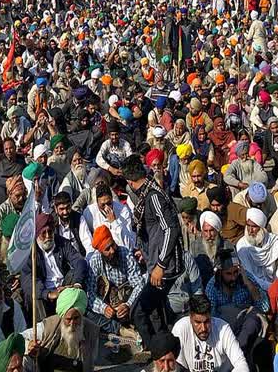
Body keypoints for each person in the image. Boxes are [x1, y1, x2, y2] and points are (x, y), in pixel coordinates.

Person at [122, 154, 183, 338]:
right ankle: (165, 349)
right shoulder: (148, 194)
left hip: (164, 267)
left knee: (140, 312)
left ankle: (159, 351)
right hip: (155, 263)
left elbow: (170, 229)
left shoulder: (153, 196)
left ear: (130, 182)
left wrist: (160, 265)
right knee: (157, 313)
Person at [21, 213, 87, 317]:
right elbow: (27, 280)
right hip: (45, 291)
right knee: (33, 293)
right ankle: (45, 327)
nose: (48, 236)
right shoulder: (30, 251)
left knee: (78, 273)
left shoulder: (62, 242)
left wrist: (76, 284)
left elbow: (79, 261)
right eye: (43, 233)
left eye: (50, 232)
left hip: (64, 286)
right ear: (37, 234)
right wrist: (47, 294)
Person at [85, 225, 145, 338]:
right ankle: (120, 329)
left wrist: (128, 304)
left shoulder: (125, 254)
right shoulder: (94, 261)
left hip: (127, 302)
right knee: (87, 313)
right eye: (107, 249)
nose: (112, 251)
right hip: (108, 305)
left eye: (112, 245)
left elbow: (139, 284)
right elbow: (90, 294)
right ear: (101, 252)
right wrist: (104, 308)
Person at [22, 287, 100, 371]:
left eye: (76, 318)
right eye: (68, 319)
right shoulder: (49, 325)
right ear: (62, 316)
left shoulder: (91, 330)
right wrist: (29, 345)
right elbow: (19, 338)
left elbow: (91, 363)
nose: (72, 323)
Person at [171, 294, 249, 372]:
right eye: (198, 322)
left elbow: (241, 363)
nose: (203, 328)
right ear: (190, 318)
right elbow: (175, 365)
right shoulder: (181, 328)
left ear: (211, 316)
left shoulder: (223, 328)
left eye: (207, 321)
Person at [235, 207, 278, 290]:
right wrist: (271, 287)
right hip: (254, 286)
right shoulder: (242, 246)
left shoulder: (271, 239)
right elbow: (249, 274)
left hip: (275, 283)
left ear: (261, 228)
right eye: (248, 226)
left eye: (254, 227)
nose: (250, 230)